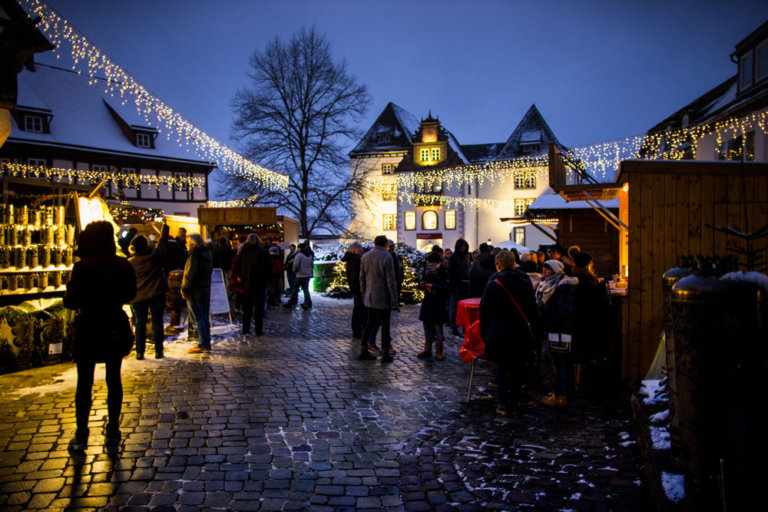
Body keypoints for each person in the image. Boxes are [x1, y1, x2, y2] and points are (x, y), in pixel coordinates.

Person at [64, 221, 137, 450]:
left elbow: (72, 300)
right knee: (113, 379)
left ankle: (82, 432)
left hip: (89, 326)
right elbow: (130, 294)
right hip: (114, 324)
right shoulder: (122, 265)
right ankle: (113, 429)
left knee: (84, 382)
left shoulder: (83, 267)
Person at [479, 250, 537, 416]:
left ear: (498, 265)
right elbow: (532, 310)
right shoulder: (524, 283)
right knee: (518, 367)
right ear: (514, 264)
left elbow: (484, 312)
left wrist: (485, 334)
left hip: (498, 332)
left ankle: (503, 403)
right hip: (519, 331)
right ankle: (515, 400)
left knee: (502, 369)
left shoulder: (492, 284)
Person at [536, 259, 578, 407]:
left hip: (559, 330)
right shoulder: (546, 285)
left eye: (548, 269)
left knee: (558, 363)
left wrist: (551, 322)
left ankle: (559, 395)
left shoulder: (563, 287)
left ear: (555, 271)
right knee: (555, 362)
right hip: (552, 329)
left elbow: (565, 310)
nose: (545, 272)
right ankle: (557, 392)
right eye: (544, 269)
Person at [128, 224, 170, 360]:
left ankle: (140, 351)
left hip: (139, 296)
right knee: (158, 322)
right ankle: (159, 350)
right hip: (156, 293)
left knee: (140, 323)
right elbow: (163, 244)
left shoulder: (131, 262)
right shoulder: (154, 257)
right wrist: (165, 229)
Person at [570, 251, 610, 391]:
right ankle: (578, 381)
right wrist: (601, 287)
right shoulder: (586, 279)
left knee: (577, 348)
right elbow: (596, 301)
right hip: (586, 319)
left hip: (577, 318)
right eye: (591, 262)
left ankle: (576, 380)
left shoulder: (574, 276)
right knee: (582, 349)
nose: (593, 264)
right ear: (587, 264)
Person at [358, 235, 399, 362]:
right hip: (383, 297)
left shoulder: (365, 256)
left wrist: (364, 294)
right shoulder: (387, 257)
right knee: (385, 325)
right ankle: (385, 352)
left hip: (370, 296)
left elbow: (362, 278)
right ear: (385, 244)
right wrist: (394, 300)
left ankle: (363, 349)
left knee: (369, 323)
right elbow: (390, 281)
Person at [182, 234, 213, 353]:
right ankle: (205, 340)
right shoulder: (206, 255)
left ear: (192, 244)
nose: (186, 245)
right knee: (203, 317)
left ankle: (202, 343)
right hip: (204, 290)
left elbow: (191, 275)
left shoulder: (195, 257)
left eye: (187, 243)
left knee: (197, 318)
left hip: (194, 291)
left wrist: (184, 288)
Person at [417, 251, 450, 360]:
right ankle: (427, 349)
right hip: (428, 302)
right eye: (430, 262)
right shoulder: (426, 271)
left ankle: (439, 351)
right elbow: (421, 281)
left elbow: (446, 289)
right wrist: (421, 284)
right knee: (427, 327)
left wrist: (434, 286)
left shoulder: (444, 272)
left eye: (433, 263)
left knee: (438, 329)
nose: (431, 265)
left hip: (438, 304)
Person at [240, 233, 271, 335]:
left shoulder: (243, 252)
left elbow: (240, 267)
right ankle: (258, 329)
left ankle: (246, 329)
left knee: (247, 308)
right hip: (259, 284)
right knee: (258, 309)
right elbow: (267, 269)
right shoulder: (262, 252)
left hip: (246, 283)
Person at [341, 243, 365, 338]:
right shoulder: (354, 261)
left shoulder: (354, 260)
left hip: (357, 288)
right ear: (353, 250)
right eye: (359, 250)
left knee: (359, 310)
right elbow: (355, 277)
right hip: (357, 289)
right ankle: (357, 331)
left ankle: (358, 330)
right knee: (359, 310)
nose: (361, 251)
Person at [448, 239, 471, 336]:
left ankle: (464, 328)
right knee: (455, 307)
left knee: (464, 307)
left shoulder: (466, 257)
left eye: (464, 246)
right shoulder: (453, 258)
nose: (463, 248)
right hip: (457, 285)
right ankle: (454, 327)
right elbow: (451, 273)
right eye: (462, 246)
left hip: (465, 285)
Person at [285, 241, 314, 309]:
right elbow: (312, 265)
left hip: (300, 275)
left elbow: (296, 265)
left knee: (295, 289)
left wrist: (294, 271)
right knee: (305, 289)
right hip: (307, 275)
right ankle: (307, 302)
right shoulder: (309, 255)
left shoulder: (299, 255)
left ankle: (290, 303)